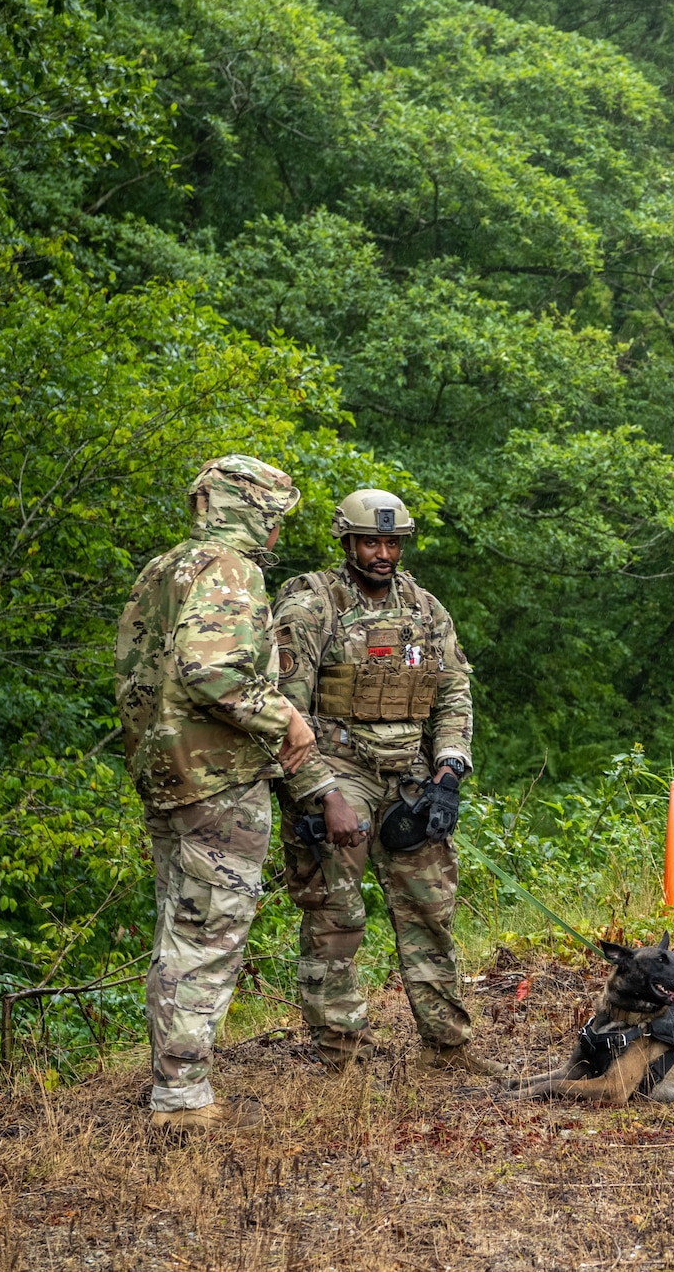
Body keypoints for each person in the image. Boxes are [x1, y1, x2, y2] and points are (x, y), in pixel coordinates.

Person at [115, 455, 319, 1132]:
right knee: (207, 930)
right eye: (274, 517)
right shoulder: (231, 571)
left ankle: (174, 1076)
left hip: (166, 771)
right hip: (216, 778)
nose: (276, 534)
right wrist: (284, 716)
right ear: (249, 509)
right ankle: (180, 1094)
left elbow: (146, 674)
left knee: (180, 926)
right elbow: (210, 670)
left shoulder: (162, 570)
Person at [271, 489, 499, 1075]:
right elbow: (281, 715)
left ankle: (448, 1046)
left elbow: (452, 692)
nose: (382, 553)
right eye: (371, 541)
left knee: (430, 910)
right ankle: (339, 1057)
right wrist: (322, 794)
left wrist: (448, 773)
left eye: (392, 542)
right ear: (346, 542)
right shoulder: (310, 606)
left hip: (412, 775)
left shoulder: (425, 609)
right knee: (336, 917)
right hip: (337, 770)